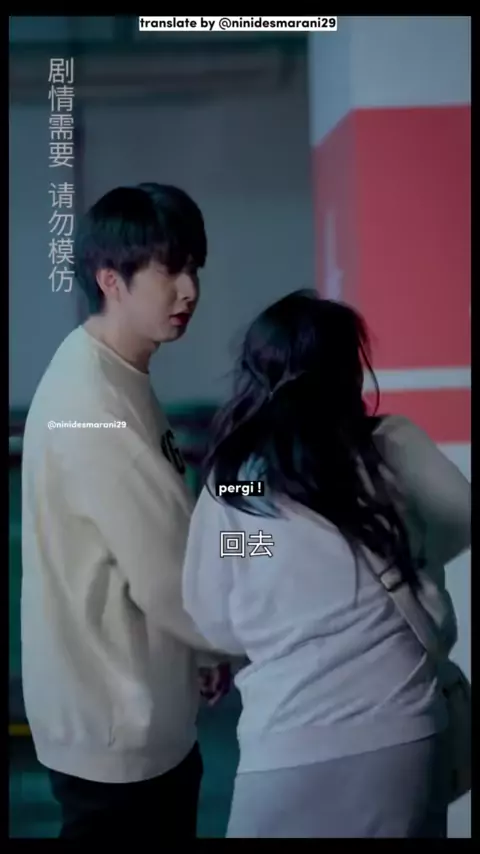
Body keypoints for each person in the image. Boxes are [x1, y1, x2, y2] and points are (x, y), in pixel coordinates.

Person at [182, 289, 471, 838]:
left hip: (286, 739)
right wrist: (398, 550)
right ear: (349, 370)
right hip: (403, 733)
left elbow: (215, 610)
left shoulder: (239, 481)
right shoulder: (389, 446)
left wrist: (268, 551)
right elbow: (459, 520)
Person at [21, 183, 231, 840]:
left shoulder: (111, 373)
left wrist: (201, 651)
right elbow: (172, 576)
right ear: (111, 280)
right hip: (118, 726)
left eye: (194, 268)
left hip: (127, 708)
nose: (189, 290)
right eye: (170, 271)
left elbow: (175, 534)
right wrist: (258, 614)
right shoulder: (95, 405)